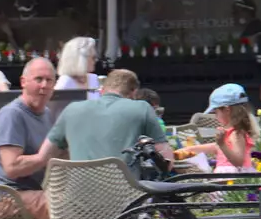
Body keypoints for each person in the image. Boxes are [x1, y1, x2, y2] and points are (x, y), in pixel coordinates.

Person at [36, 69, 169, 168]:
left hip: (78, 201)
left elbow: (44, 156)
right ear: (134, 93)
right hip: (128, 200)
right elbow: (167, 162)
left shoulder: (71, 109)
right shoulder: (142, 107)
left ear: (101, 91)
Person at [0, 57, 58, 219]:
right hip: (6, 197)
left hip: (35, 191)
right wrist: (43, 157)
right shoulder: (12, 114)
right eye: (38, 79)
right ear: (23, 82)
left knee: (83, 201)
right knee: (64, 207)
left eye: (49, 80)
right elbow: (12, 168)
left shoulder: (46, 113)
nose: (44, 85)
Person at [180, 84, 260, 172]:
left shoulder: (236, 134)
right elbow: (216, 147)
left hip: (232, 178)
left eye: (216, 112)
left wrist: (222, 144)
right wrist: (189, 149)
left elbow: (238, 162)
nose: (215, 116)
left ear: (227, 110)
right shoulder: (230, 132)